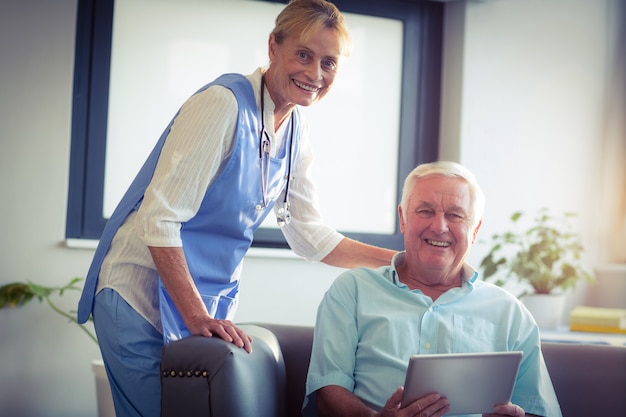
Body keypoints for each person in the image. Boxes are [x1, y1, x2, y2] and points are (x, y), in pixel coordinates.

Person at [76, 1, 396, 416]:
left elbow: (308, 235)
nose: (315, 74)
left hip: (196, 302)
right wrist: (196, 315)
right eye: (304, 54)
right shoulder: (222, 104)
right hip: (138, 295)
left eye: (329, 63)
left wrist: (399, 263)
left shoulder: (296, 130)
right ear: (273, 47)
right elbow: (160, 218)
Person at [303, 161, 562, 417]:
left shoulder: (510, 312)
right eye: (425, 211)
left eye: (455, 215)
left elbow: (538, 409)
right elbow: (327, 395)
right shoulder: (352, 291)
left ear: (475, 230)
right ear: (403, 219)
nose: (439, 226)